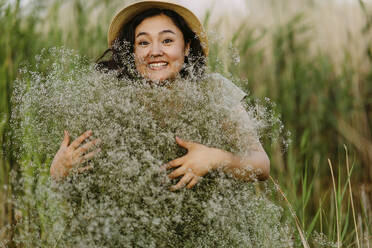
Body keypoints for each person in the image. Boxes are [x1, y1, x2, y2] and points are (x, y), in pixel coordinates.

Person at [50, 0, 270, 190]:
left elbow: (261, 165)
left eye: (167, 40)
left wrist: (214, 159)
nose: (155, 51)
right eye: (143, 42)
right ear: (133, 52)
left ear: (186, 47)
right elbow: (68, 169)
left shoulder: (213, 90)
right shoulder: (109, 97)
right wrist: (59, 170)